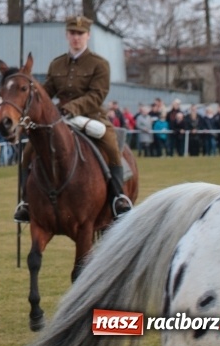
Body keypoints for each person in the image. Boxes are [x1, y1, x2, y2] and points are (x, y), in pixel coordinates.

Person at [13, 15, 132, 223]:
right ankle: (26, 201)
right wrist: (29, 108)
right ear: (67, 35)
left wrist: (72, 107)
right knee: (29, 151)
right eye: (72, 33)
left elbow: (97, 95)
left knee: (111, 143)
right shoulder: (57, 63)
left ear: (88, 36)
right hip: (59, 119)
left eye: (80, 34)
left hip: (90, 116)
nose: (76, 38)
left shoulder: (99, 64)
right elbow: (47, 92)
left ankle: (118, 196)